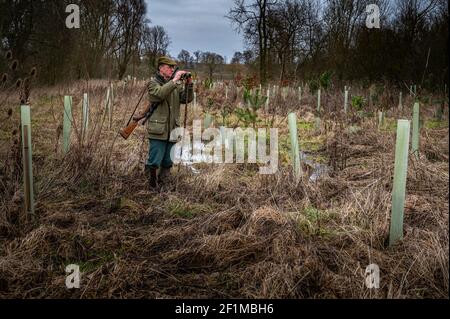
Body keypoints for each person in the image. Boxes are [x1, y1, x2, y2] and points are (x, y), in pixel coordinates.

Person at [134, 56, 193, 190]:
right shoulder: (153, 83)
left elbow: (186, 99)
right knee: (155, 160)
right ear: (161, 68)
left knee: (168, 160)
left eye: (173, 67)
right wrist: (175, 80)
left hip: (172, 128)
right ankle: (151, 186)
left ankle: (164, 185)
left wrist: (189, 84)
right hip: (158, 129)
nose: (172, 69)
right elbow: (159, 94)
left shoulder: (175, 85)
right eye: (169, 67)